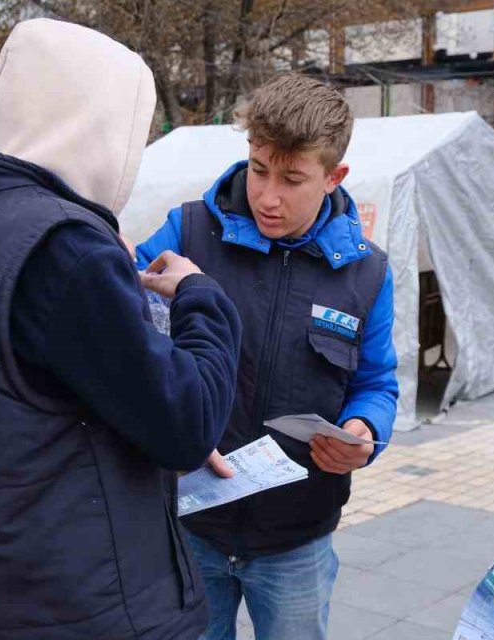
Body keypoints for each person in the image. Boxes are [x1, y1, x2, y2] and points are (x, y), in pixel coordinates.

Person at [0, 19, 242, 639]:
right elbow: (187, 423)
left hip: (4, 586)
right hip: (95, 603)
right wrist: (202, 296)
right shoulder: (67, 249)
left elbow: (27, 400)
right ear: (99, 125)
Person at [135, 74, 400, 640]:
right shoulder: (188, 233)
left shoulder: (368, 273)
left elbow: (378, 382)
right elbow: (124, 332)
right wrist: (168, 421)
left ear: (335, 177)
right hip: (189, 526)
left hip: (297, 537)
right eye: (258, 170)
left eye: (293, 178)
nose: (268, 196)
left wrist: (362, 431)